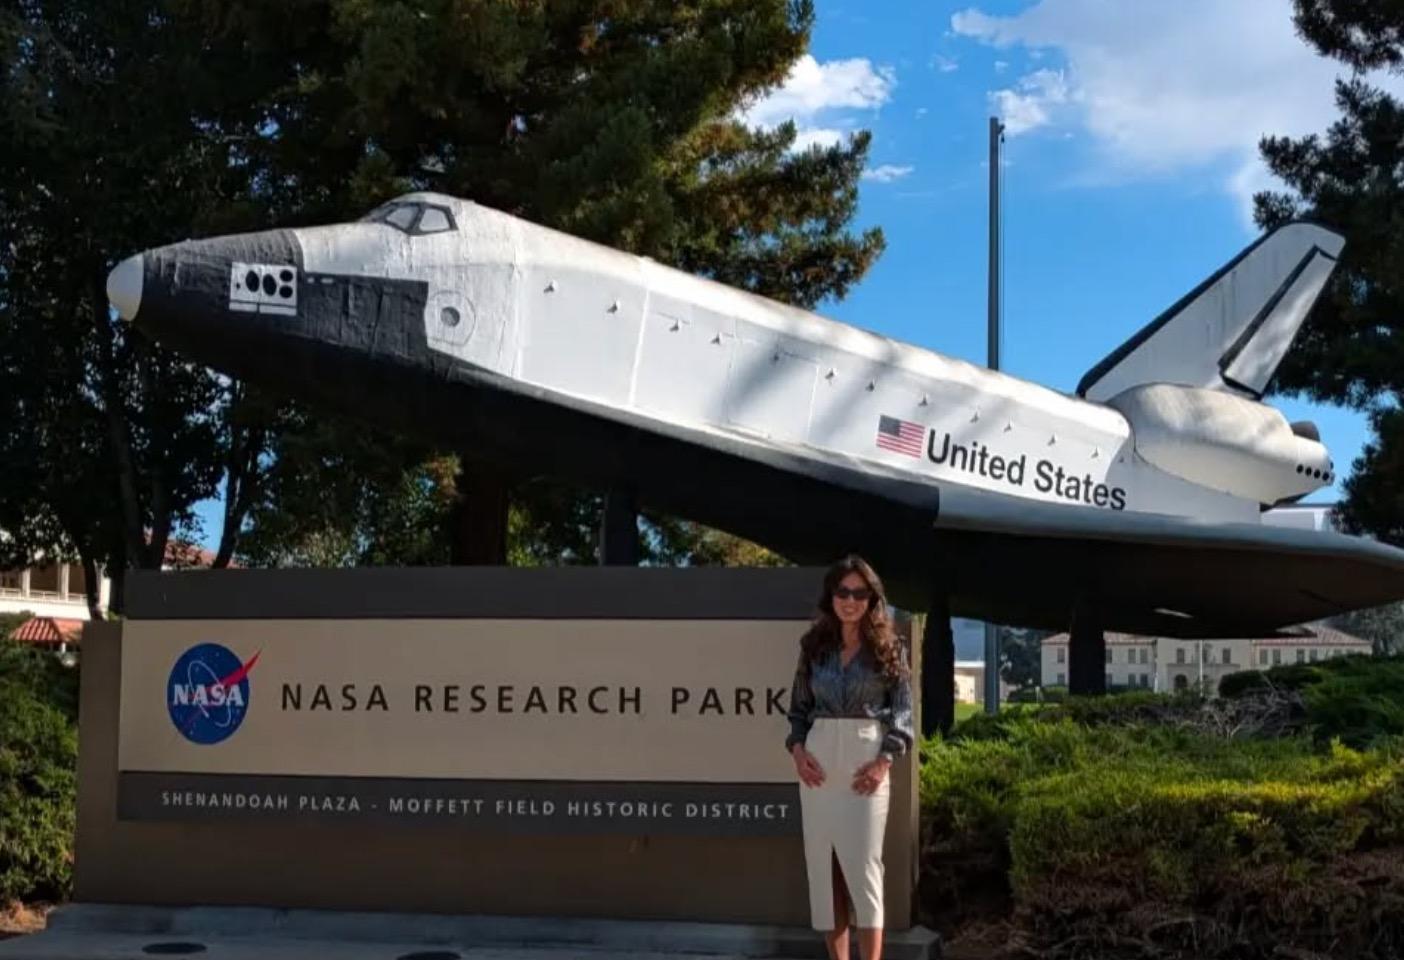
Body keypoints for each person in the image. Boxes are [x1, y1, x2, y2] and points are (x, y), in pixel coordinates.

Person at [786, 554, 914, 960]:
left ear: (872, 599)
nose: (850, 601)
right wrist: (798, 752)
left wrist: (883, 762)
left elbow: (903, 715)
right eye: (843, 592)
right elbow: (798, 711)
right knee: (825, 874)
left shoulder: (890, 648)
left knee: (865, 870)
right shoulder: (813, 647)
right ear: (831, 595)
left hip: (865, 763)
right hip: (819, 768)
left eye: (860, 593)